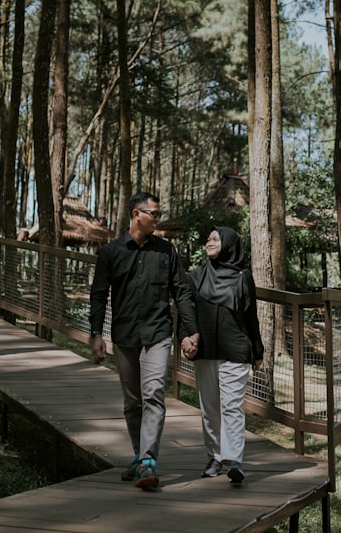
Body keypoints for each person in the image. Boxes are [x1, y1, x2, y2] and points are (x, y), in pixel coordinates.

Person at [89, 192, 200, 491]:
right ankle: (138, 456)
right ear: (137, 214)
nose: (158, 220)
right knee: (133, 401)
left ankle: (149, 462)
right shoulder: (110, 252)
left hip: (158, 333)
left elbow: (182, 291)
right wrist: (96, 333)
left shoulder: (167, 251)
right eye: (155, 214)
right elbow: (99, 294)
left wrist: (189, 331)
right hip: (124, 335)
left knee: (153, 394)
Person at [187, 226, 264, 485]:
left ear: (229, 244)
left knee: (231, 406)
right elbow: (187, 312)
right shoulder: (196, 276)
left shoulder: (243, 276)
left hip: (236, 349)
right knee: (210, 408)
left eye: (215, 239)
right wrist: (186, 339)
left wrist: (258, 349)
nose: (209, 242)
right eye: (208, 238)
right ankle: (215, 457)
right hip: (206, 350)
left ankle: (234, 461)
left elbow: (250, 315)